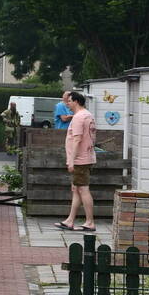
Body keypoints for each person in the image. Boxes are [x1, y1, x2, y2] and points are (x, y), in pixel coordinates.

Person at [55, 92, 97, 232]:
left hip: (80, 160)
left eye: (70, 101)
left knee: (83, 189)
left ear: (77, 102)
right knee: (76, 189)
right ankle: (70, 220)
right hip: (86, 157)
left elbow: (77, 139)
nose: (67, 103)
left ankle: (90, 222)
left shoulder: (79, 117)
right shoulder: (88, 115)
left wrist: (71, 161)